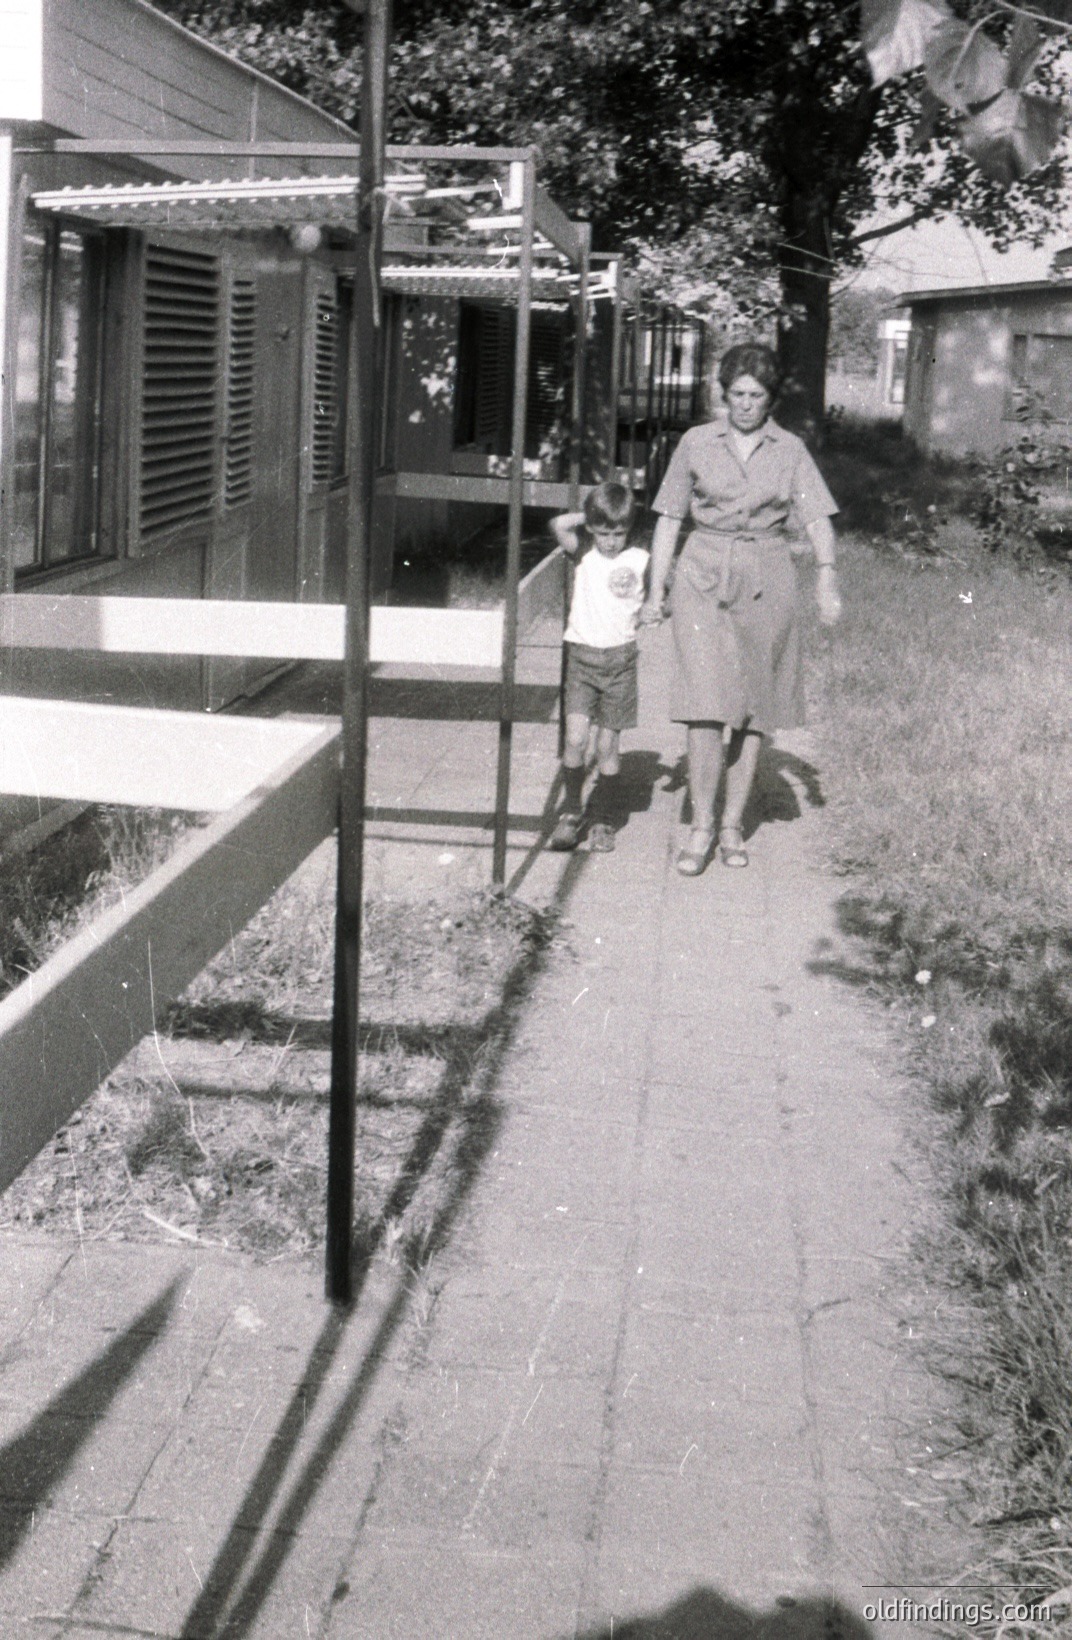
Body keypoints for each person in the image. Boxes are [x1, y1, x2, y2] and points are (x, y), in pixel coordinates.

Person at [638, 342, 841, 876]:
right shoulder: (695, 442)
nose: (745, 404)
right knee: (705, 705)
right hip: (703, 573)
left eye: (756, 396)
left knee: (753, 707)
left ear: (770, 399)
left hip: (768, 575)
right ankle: (701, 825)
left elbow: (817, 516)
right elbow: (667, 518)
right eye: (736, 395)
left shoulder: (790, 449)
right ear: (722, 394)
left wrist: (827, 579)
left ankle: (732, 823)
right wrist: (655, 589)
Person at [548, 481, 648, 852]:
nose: (610, 541)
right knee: (575, 739)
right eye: (604, 532)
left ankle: (603, 819)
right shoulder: (584, 552)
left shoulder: (640, 560)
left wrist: (656, 609)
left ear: (629, 530)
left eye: (618, 533)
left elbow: (659, 599)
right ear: (592, 529)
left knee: (607, 747)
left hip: (621, 662)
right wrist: (589, 518)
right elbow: (559, 525)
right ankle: (571, 812)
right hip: (582, 660)